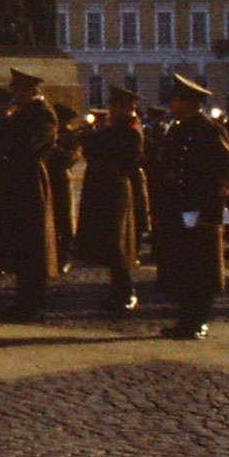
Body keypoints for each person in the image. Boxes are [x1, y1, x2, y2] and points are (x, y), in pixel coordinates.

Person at [149, 74, 229, 340]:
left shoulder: (210, 131)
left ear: (187, 101)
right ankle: (186, 318)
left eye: (174, 99)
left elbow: (222, 174)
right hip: (177, 207)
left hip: (200, 209)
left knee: (201, 268)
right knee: (181, 265)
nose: (171, 104)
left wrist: (211, 212)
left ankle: (199, 320)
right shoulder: (177, 129)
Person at [75, 87, 148, 311]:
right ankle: (117, 291)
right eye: (112, 105)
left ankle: (127, 292)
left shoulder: (130, 129)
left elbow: (120, 156)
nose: (111, 110)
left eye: (116, 105)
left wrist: (92, 139)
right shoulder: (114, 128)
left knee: (119, 244)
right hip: (105, 189)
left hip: (117, 190)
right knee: (110, 243)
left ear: (128, 107)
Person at [0, 69, 61, 321]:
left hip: (32, 180)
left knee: (33, 244)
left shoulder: (44, 114)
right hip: (18, 181)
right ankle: (22, 300)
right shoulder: (22, 114)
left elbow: (31, 146)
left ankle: (33, 303)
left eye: (16, 89)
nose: (13, 94)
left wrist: (11, 126)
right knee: (21, 244)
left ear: (28, 91)